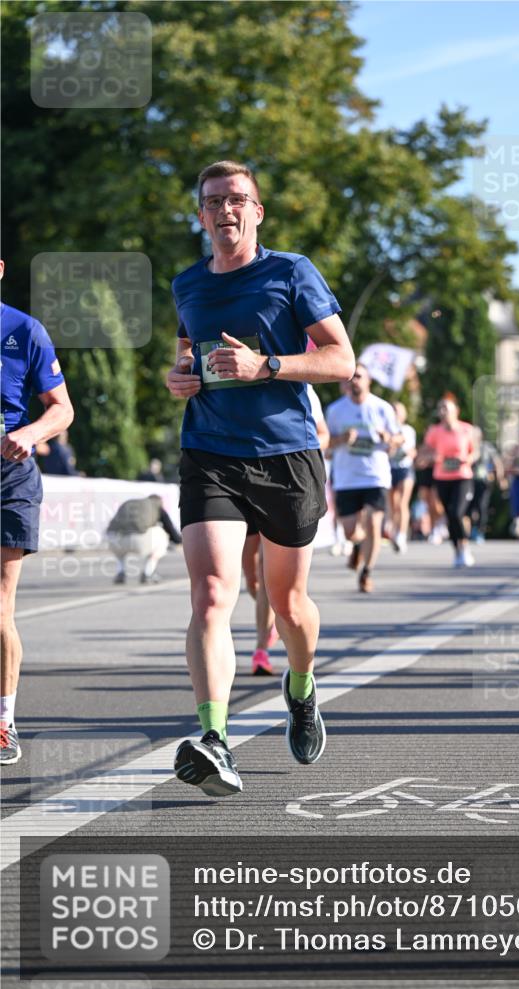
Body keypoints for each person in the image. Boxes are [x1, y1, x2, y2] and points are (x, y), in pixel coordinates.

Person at [166, 160, 354, 797]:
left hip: (285, 454)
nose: (226, 209)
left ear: (257, 211)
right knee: (211, 594)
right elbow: (185, 354)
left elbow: (341, 360)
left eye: (237, 199)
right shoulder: (187, 283)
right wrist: (178, 378)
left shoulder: (291, 272)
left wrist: (265, 365)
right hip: (209, 451)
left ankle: (300, 688)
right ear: (201, 215)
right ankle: (215, 739)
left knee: (288, 604)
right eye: (213, 200)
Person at [1, 259, 74, 764]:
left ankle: (3, 723)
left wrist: (30, 433)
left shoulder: (24, 330)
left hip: (8, 477)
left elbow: (62, 408)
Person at [244, 383, 330, 677]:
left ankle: (261, 649)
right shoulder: (237, 377)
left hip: (280, 477)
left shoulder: (301, 387)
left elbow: (323, 434)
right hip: (238, 475)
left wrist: (303, 442)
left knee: (266, 569)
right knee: (252, 579)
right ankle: (273, 618)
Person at [326, 363, 401, 593]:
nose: (354, 381)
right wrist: (341, 439)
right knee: (350, 532)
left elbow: (399, 439)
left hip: (375, 476)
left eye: (359, 376)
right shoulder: (336, 410)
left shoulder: (382, 408)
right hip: (347, 478)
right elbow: (326, 446)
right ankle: (358, 546)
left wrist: (388, 438)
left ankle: (366, 572)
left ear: (369, 380)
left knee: (373, 523)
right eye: (350, 377)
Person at [418, 395, 478, 567]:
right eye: (440, 409)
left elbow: (475, 452)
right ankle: (457, 550)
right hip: (442, 478)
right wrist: (431, 457)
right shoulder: (434, 431)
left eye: (446, 408)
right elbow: (424, 452)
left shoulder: (467, 429)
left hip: (462, 477)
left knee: (457, 512)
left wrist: (467, 459)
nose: (443, 412)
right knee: (450, 515)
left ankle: (464, 546)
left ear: (456, 411)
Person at [106, 494, 182, 584]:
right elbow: (169, 527)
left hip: (114, 540)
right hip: (138, 540)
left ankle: (121, 571)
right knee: (161, 533)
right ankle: (148, 573)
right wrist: (180, 541)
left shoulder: (129, 503)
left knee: (118, 545)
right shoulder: (156, 505)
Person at [388, 402, 416, 554]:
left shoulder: (408, 430)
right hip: (390, 468)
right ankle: (393, 532)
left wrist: (407, 451)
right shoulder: (387, 429)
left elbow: (412, 450)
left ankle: (402, 535)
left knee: (402, 503)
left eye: (398, 411)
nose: (396, 414)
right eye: (393, 411)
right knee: (393, 504)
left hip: (405, 468)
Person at [469, 429, 503, 544]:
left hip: (484, 482)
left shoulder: (487, 447)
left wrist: (500, 478)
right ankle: (472, 529)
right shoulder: (468, 447)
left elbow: (497, 462)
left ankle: (480, 531)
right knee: (470, 506)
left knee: (482, 506)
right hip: (470, 482)